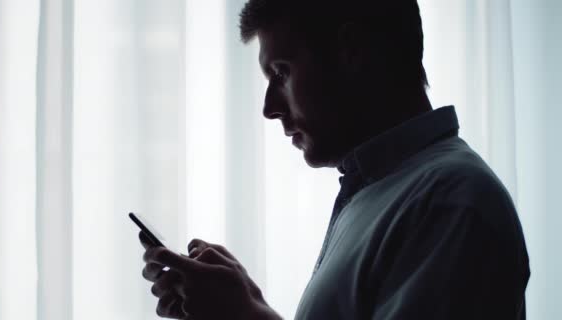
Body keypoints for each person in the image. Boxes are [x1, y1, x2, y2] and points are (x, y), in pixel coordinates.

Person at [139, 0, 531, 319]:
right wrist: (248, 305)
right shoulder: (388, 192)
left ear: (352, 50)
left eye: (282, 72)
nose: (270, 107)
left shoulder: (451, 203)